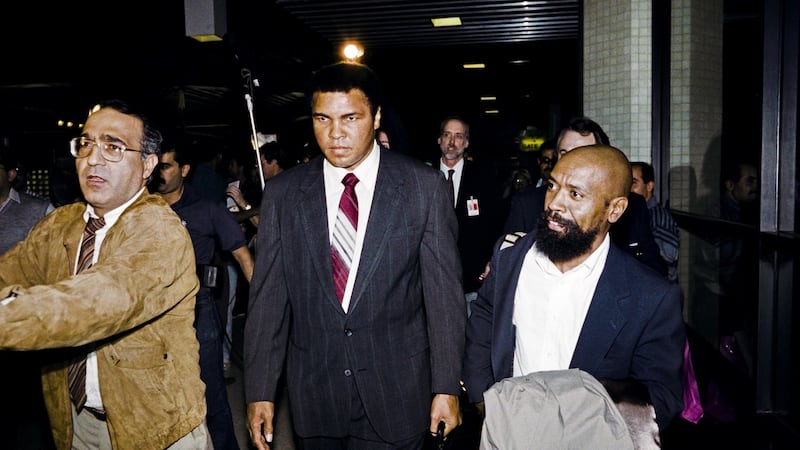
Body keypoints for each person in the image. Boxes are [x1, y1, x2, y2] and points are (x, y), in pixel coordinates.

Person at [244, 61, 466, 450]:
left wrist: (446, 386)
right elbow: (269, 301)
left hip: (397, 389)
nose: (335, 133)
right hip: (315, 393)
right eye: (322, 119)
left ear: (376, 117)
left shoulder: (423, 188)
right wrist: (260, 390)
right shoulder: (284, 194)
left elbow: (444, 298)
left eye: (350, 118)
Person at [0, 99, 211, 449]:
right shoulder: (60, 224)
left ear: (147, 165)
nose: (93, 159)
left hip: (156, 425)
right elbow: (11, 270)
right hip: (77, 420)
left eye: (113, 147)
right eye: (86, 144)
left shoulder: (160, 229)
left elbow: (95, 302)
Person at [463, 144, 685, 434]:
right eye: (552, 186)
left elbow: (660, 397)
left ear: (615, 209)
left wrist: (572, 427)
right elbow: (484, 319)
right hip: (503, 431)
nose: (554, 203)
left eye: (575, 194)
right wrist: (484, 401)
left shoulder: (651, 297)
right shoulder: (510, 258)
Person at [152, 144, 255, 450]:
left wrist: (263, 305)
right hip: (152, 309)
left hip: (197, 307)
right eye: (156, 167)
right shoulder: (143, 208)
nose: (159, 174)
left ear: (184, 170)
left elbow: (242, 255)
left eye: (166, 166)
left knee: (210, 388)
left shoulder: (206, 207)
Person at [502, 116, 666, 276]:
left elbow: (653, 269)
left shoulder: (632, 206)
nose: (573, 160)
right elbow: (506, 266)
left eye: (582, 152)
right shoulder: (528, 203)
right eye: (564, 152)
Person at [435, 115, 504, 316]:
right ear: (439, 139)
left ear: (466, 143)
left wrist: (490, 261)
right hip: (433, 278)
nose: (451, 142)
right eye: (447, 135)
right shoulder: (422, 174)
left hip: (471, 280)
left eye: (458, 136)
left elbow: (495, 224)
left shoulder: (483, 177)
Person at [630, 161, 680, 282]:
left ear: (649, 186)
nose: (629, 188)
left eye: (634, 183)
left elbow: (669, 257)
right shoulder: (635, 213)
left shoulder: (658, 218)